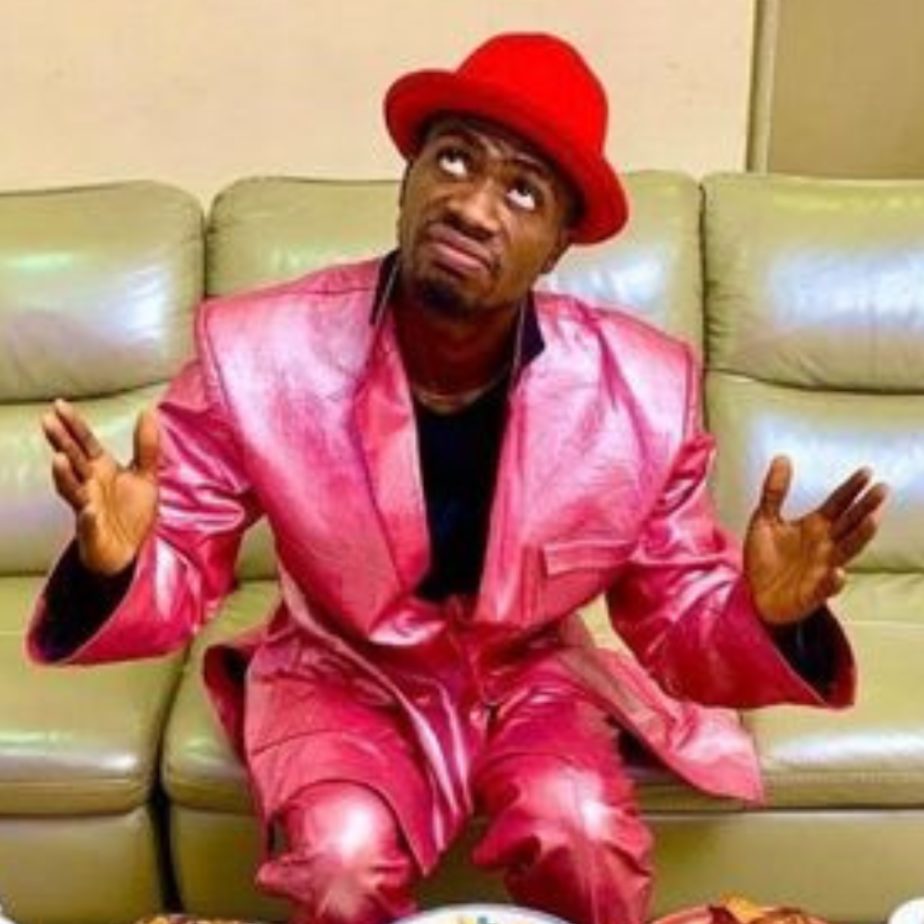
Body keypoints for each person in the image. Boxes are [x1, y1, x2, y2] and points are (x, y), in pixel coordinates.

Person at [29, 33, 887, 924]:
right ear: (406, 182)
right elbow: (179, 553)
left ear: (556, 247)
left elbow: (675, 613)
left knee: (583, 830)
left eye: (522, 191)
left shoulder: (641, 393)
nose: (473, 207)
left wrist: (767, 617)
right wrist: (115, 565)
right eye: (453, 160)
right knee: (340, 860)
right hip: (339, 668)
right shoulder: (258, 351)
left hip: (530, 671)